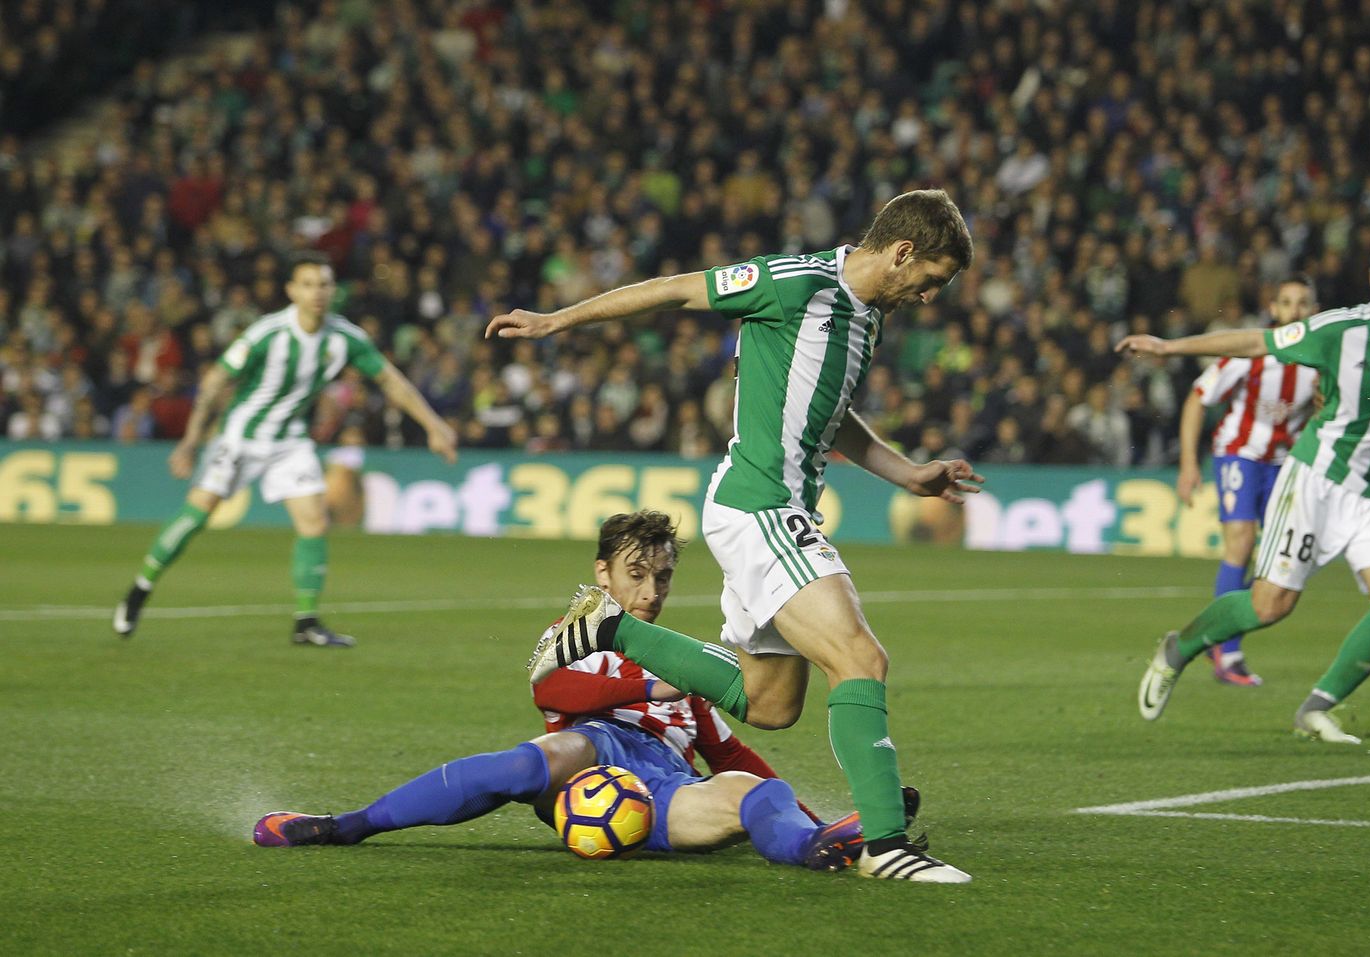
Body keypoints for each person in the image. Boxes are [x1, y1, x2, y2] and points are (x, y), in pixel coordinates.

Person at [488, 189, 980, 882]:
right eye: (932, 279)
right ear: (902, 252)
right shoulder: (796, 281)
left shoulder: (867, 317)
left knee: (769, 703)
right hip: (761, 504)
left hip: (779, 510)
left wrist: (907, 473)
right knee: (860, 658)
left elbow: (829, 412)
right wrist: (556, 321)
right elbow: (675, 290)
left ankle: (610, 629)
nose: (930, 297)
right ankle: (886, 845)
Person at [254, 511, 910, 871]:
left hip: (664, 788)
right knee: (545, 755)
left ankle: (815, 848)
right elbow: (554, 689)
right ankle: (345, 826)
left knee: (748, 789)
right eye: (636, 574)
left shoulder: (685, 668)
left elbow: (732, 754)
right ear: (603, 573)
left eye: (662, 577)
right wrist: (652, 681)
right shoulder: (581, 633)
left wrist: (815, 816)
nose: (650, 591)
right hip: (588, 766)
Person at [1117, 234, 1370, 744]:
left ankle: (1317, 708)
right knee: (1270, 605)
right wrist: (1169, 347)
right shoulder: (1339, 331)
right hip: (1314, 479)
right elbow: (1253, 342)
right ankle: (1181, 647)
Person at [112, 253, 458, 646]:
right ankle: (139, 590)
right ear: (292, 291)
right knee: (199, 513)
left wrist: (434, 425)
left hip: (290, 441)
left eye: (324, 284)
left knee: (314, 522)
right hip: (240, 438)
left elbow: (391, 381)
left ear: (333, 290)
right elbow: (214, 382)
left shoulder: (344, 338)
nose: (317, 293)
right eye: (308, 284)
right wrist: (192, 441)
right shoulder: (267, 334)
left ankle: (306, 622)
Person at [1175, 276, 1320, 686]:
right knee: (1240, 542)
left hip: (1285, 464)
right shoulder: (1251, 352)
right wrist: (1189, 463)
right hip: (1239, 454)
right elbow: (1198, 397)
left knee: (1274, 559)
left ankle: (1220, 637)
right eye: (1287, 302)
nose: (1294, 310)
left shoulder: (1321, 361)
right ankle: (1227, 650)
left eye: (1303, 303)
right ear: (1274, 309)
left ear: (1314, 311)